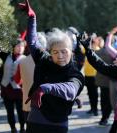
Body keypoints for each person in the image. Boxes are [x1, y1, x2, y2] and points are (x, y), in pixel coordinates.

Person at [18, 1, 84, 132]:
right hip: (37, 117)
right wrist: (32, 18)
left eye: (64, 51)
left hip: (58, 123)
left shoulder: (75, 74)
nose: (60, 56)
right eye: (55, 52)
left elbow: (70, 89)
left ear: (71, 52)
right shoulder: (44, 60)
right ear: (50, 53)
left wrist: (46, 88)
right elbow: (32, 42)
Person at [0, 37, 26, 133]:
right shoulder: (6, 56)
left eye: (22, 46)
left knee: (21, 111)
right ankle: (13, 128)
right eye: (18, 46)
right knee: (9, 111)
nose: (20, 48)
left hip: (19, 90)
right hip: (6, 88)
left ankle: (22, 128)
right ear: (13, 47)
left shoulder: (25, 59)